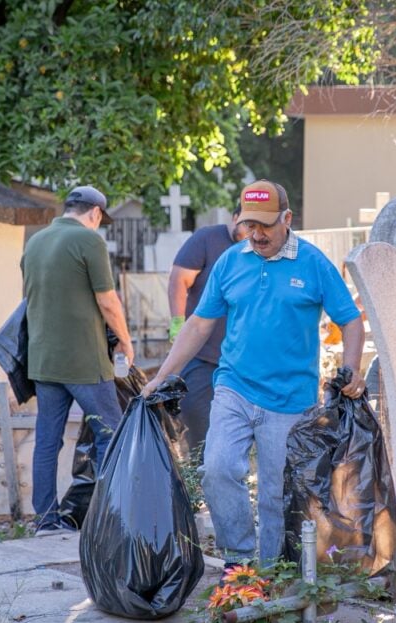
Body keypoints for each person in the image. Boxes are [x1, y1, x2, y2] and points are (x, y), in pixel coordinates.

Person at [142, 179, 366, 568]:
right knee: (217, 468)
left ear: (287, 218)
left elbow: (350, 321)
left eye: (266, 225)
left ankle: (270, 570)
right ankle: (239, 561)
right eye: (250, 225)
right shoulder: (231, 262)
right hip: (234, 387)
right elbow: (198, 325)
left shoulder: (313, 263)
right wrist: (162, 376)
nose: (257, 234)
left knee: (275, 493)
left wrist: (353, 369)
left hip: (290, 399)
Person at [22, 185, 134, 537]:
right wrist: (126, 343)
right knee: (112, 435)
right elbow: (108, 301)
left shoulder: (35, 242)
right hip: (84, 360)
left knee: (47, 442)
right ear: (95, 213)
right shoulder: (90, 241)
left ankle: (45, 522)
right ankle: (109, 520)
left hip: (43, 360)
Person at [167, 207, 249, 459]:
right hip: (202, 353)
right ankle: (199, 480)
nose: (250, 233)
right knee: (197, 420)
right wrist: (178, 322)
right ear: (234, 218)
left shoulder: (259, 247)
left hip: (239, 360)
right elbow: (179, 280)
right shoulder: (206, 239)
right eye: (246, 224)